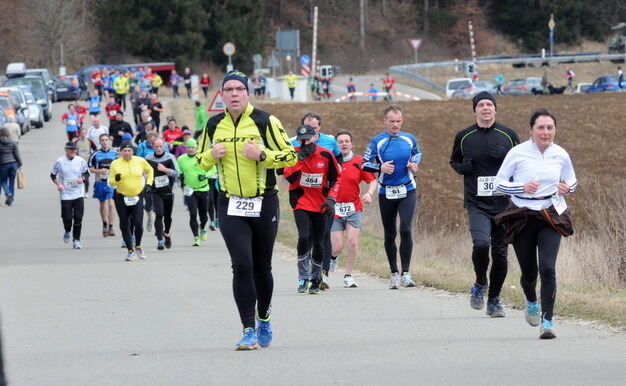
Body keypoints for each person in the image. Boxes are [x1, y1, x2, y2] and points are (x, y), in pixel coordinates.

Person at [197, 70, 297, 350]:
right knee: (242, 265)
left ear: (247, 93)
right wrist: (210, 155)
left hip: (264, 202)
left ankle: (264, 317)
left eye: (239, 89)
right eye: (228, 89)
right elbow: (199, 162)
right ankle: (248, 329)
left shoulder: (266, 121)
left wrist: (262, 155)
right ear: (223, 95)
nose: (234, 94)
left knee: (262, 267)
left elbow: (290, 155)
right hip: (230, 203)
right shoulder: (214, 124)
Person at [494, 108, 577, 339]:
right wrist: (521, 187)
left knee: (548, 268)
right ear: (531, 130)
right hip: (523, 215)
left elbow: (572, 179)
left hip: (550, 214)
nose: (545, 132)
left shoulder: (560, 154)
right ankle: (531, 299)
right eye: (541, 127)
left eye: (550, 127)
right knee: (529, 273)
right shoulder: (517, 153)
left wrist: (567, 187)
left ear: (555, 130)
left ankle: (547, 321)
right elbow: (500, 183)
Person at [449, 91, 520, 317]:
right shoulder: (464, 136)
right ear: (475, 110)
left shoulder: (508, 135)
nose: (486, 108)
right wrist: (463, 168)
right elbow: (454, 160)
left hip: (503, 204)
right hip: (476, 203)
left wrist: (507, 153)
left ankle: (494, 300)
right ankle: (480, 283)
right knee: (481, 244)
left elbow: (522, 163)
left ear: (495, 109)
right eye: (481, 105)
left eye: (490, 104)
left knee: (500, 255)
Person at [363, 104, 422, 289]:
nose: (395, 125)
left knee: (405, 228)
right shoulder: (377, 141)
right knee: (390, 233)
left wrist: (414, 164)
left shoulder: (409, 138)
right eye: (392, 121)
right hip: (386, 191)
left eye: (398, 121)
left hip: (407, 189)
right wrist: (379, 167)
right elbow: (364, 164)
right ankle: (394, 273)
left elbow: (417, 153)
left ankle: (406, 273)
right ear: (385, 121)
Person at [284, 124, 341, 294]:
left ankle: (316, 278)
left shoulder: (326, 154)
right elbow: (290, 177)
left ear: (315, 137)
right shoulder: (294, 153)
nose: (305, 143)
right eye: (302, 141)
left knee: (318, 241)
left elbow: (337, 179)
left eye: (308, 139)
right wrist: (299, 159)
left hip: (320, 204)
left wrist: (331, 198)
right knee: (303, 237)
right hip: (300, 201)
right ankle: (303, 278)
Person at [331, 130, 377, 288]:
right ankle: (332, 258)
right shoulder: (331, 161)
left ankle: (348, 275)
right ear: (336, 145)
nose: (344, 143)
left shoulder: (359, 161)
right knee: (337, 247)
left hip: (353, 207)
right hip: (334, 209)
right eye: (340, 141)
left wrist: (370, 194)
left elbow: (372, 180)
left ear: (352, 144)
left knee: (352, 241)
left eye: (346, 141)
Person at [108, 141, 154, 261]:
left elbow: (150, 171)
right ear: (120, 152)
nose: (127, 153)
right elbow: (111, 182)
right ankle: (130, 250)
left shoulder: (140, 161)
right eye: (125, 151)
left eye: (129, 151)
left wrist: (148, 184)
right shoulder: (115, 164)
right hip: (121, 197)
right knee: (124, 224)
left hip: (137, 196)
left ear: (133, 151)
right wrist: (116, 179)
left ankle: (138, 245)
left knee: (138, 223)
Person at [51, 142, 89, 249]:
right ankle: (67, 230)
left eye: (74, 149)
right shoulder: (59, 161)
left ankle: (76, 240)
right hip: (65, 194)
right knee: (67, 218)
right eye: (70, 149)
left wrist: (83, 179)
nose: (72, 151)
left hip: (78, 193)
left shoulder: (81, 161)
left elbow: (87, 173)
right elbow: (52, 175)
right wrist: (58, 184)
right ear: (66, 150)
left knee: (78, 218)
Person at [146, 138, 179, 250]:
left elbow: (177, 174)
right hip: (156, 191)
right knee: (159, 214)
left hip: (169, 191)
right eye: (156, 146)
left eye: (161, 146)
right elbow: (145, 172)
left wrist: (165, 170)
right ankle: (160, 240)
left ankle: (167, 233)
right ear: (153, 146)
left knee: (167, 217)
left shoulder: (170, 157)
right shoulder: (149, 158)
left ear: (164, 146)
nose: (159, 149)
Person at [177, 138, 211, 245]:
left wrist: (205, 175)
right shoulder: (181, 159)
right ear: (185, 148)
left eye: (192, 147)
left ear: (197, 148)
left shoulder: (203, 157)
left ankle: (202, 228)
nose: (190, 149)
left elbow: (213, 169)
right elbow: (179, 171)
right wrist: (180, 178)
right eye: (188, 147)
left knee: (204, 215)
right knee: (192, 214)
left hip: (203, 189)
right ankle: (196, 237)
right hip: (190, 190)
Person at [89, 134, 118, 237]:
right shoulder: (95, 154)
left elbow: (120, 166)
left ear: (109, 141)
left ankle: (111, 226)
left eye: (106, 140)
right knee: (102, 205)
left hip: (112, 182)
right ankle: (104, 223)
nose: (104, 142)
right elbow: (90, 168)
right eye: (102, 140)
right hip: (100, 182)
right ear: (100, 142)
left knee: (111, 204)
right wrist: (99, 170)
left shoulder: (115, 153)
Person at [0, 127, 22, 206]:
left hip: (3, 165)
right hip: (13, 164)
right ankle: (11, 200)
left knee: (3, 181)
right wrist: (20, 164)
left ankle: (8, 193)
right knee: (12, 182)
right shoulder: (13, 142)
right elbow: (17, 154)